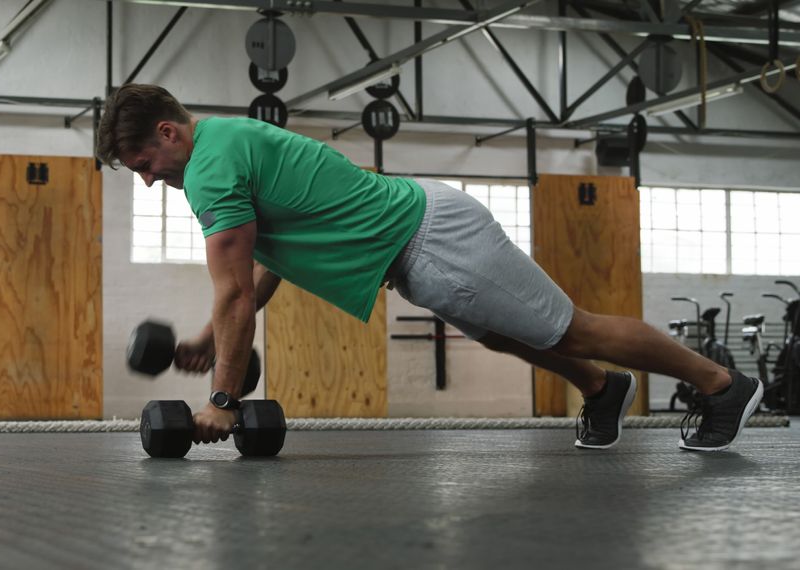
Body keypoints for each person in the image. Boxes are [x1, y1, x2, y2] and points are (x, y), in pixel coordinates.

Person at [97, 83, 763, 453]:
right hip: (424, 243)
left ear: (166, 133)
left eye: (145, 169)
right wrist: (209, 346)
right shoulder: (225, 142)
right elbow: (269, 266)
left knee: (571, 328)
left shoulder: (210, 171)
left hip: (432, 241)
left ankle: (721, 385)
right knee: (506, 334)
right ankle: (601, 389)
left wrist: (221, 398)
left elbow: (236, 297)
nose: (152, 183)